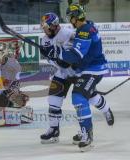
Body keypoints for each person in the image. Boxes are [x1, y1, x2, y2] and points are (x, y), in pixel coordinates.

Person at [39, 8, 114, 152]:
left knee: (83, 97)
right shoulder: (82, 28)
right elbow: (58, 60)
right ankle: (55, 129)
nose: (46, 31)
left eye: (70, 17)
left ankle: (91, 128)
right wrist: (52, 56)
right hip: (70, 70)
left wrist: (58, 54)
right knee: (56, 98)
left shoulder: (76, 31)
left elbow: (75, 55)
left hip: (83, 69)